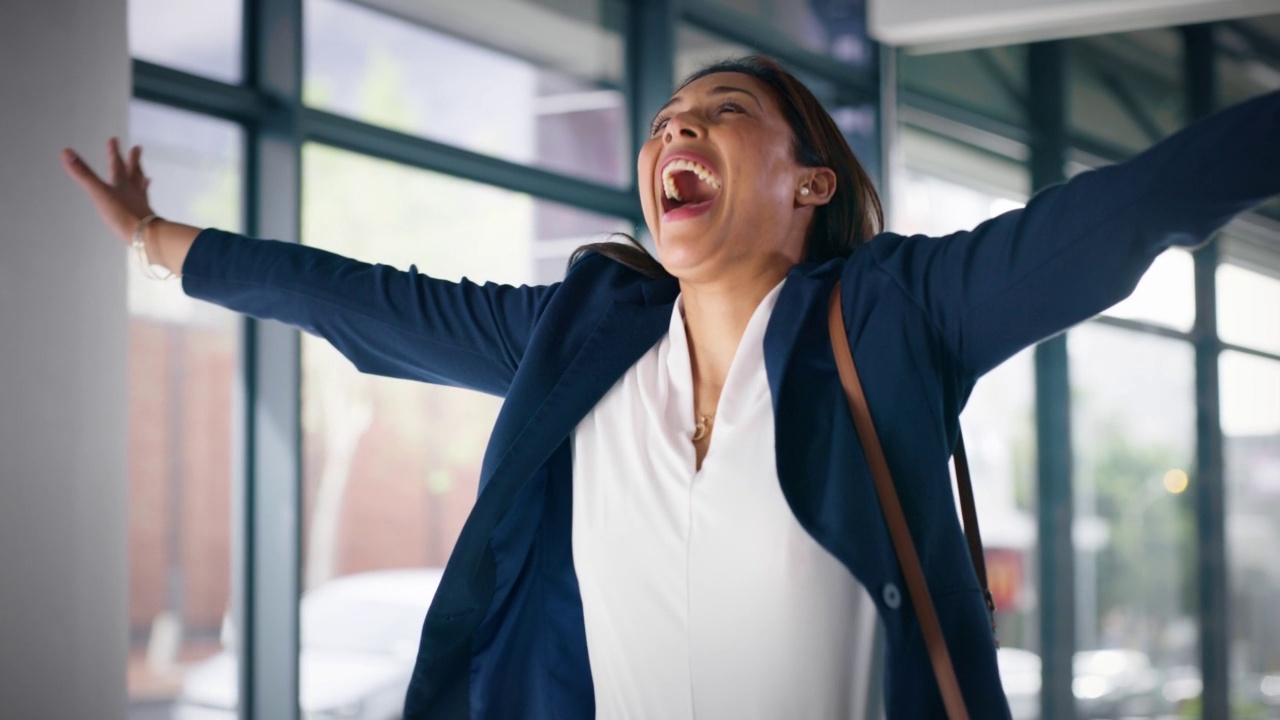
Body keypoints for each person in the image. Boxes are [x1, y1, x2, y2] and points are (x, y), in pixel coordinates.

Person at [62, 55, 1279, 719]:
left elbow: (1132, 208)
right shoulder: (580, 344)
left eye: (724, 113)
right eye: (663, 122)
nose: (673, 134)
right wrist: (154, 242)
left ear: (807, 186)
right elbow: (368, 301)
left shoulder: (892, 316)